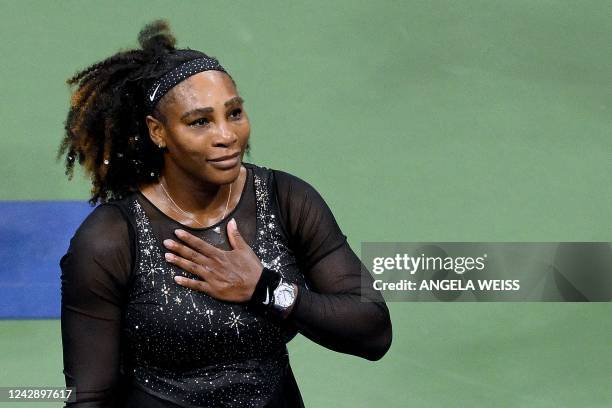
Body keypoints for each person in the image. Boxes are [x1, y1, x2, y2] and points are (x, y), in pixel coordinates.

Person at [58, 19, 392, 408]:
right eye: (200, 121)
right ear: (158, 132)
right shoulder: (110, 239)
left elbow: (374, 331)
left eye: (233, 113)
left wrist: (265, 289)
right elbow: (88, 397)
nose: (226, 135)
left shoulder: (286, 200)